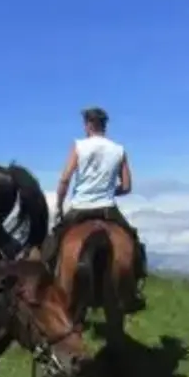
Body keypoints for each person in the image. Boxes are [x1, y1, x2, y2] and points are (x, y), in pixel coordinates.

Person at [41, 106, 147, 292]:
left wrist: (59, 204)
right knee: (133, 239)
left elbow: (65, 179)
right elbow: (126, 186)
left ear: (89, 125)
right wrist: (109, 191)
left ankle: (46, 284)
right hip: (107, 208)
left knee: (53, 243)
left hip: (80, 207)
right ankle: (135, 287)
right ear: (104, 125)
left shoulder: (79, 146)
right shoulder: (119, 150)